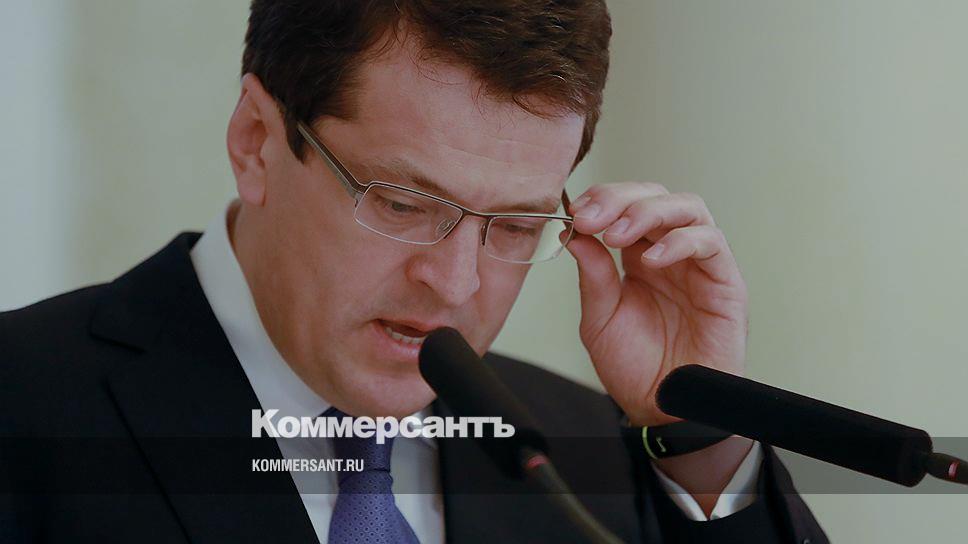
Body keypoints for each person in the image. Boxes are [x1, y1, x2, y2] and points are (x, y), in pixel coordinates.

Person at [0, 1, 827, 542]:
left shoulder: (583, 457)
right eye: (401, 203)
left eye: (514, 225)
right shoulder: (23, 402)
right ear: (255, 141)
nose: (456, 284)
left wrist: (699, 433)